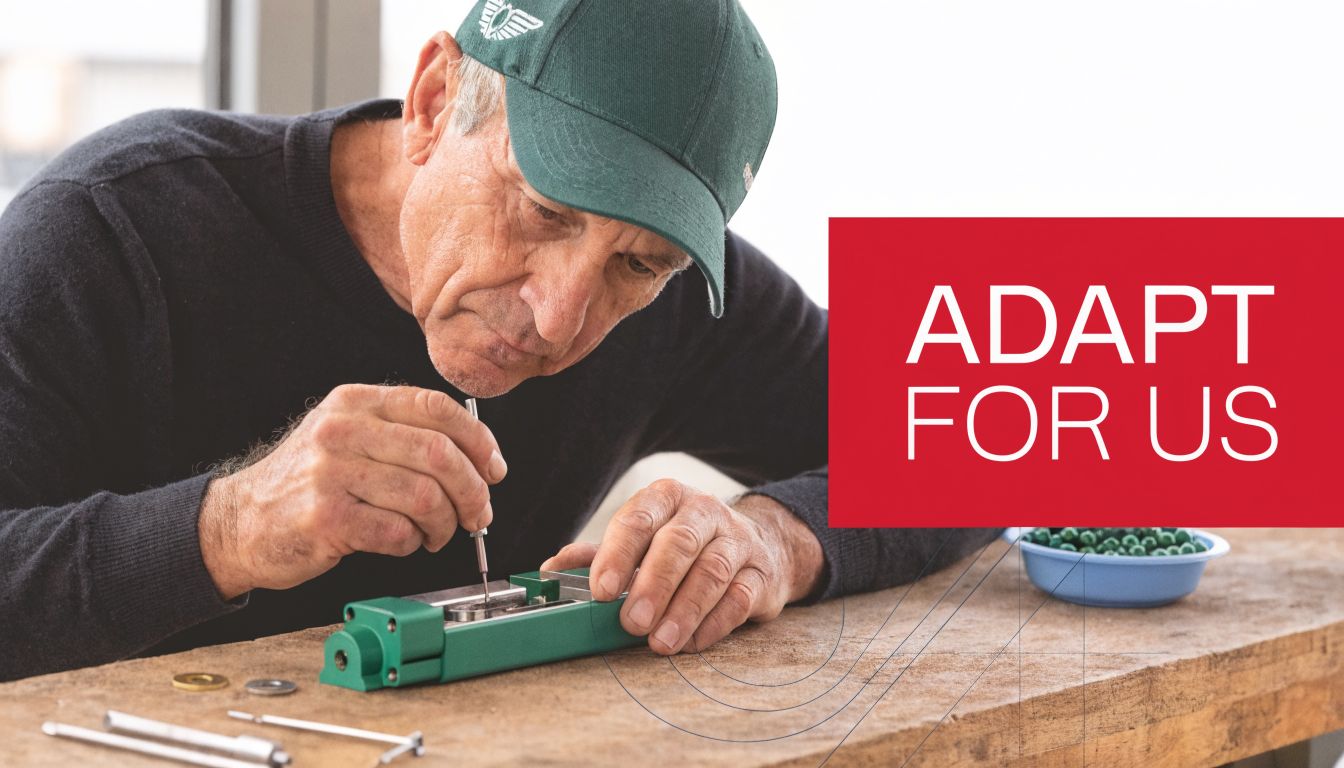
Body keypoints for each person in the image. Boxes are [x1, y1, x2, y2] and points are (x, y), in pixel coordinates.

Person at [0, 0, 998, 681]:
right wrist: (225, 530)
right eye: (546, 212)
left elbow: (991, 438)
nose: (562, 317)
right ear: (434, 104)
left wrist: (778, 540)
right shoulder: (113, 233)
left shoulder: (677, 297)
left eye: (635, 264)